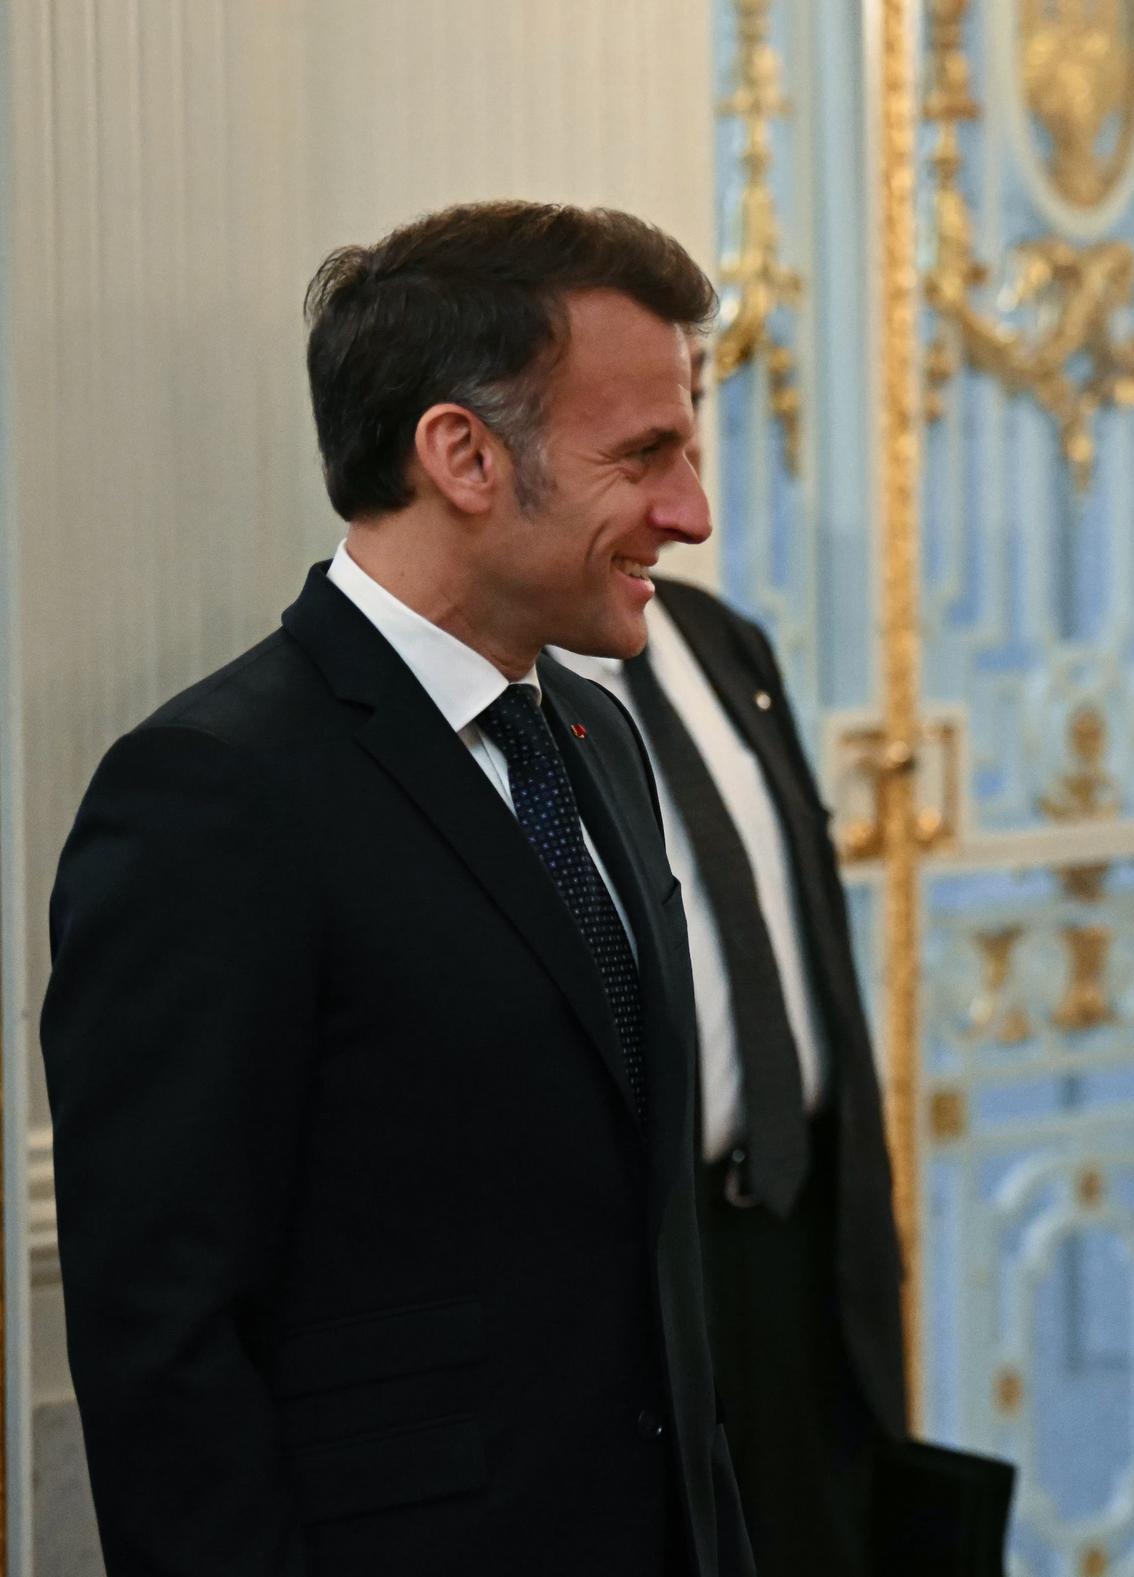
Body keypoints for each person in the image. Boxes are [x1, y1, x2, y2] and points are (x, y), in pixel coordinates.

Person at [41, 201, 752, 1577]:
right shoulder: (212, 793)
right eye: (646, 454)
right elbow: (165, 1343)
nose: (692, 511)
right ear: (462, 455)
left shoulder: (598, 742)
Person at [552, 341, 908, 1577]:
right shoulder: (494, 707)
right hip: (650, 1267)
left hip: (801, 1240)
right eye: (647, 449)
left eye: (692, 434)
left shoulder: (719, 643)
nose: (690, 498)